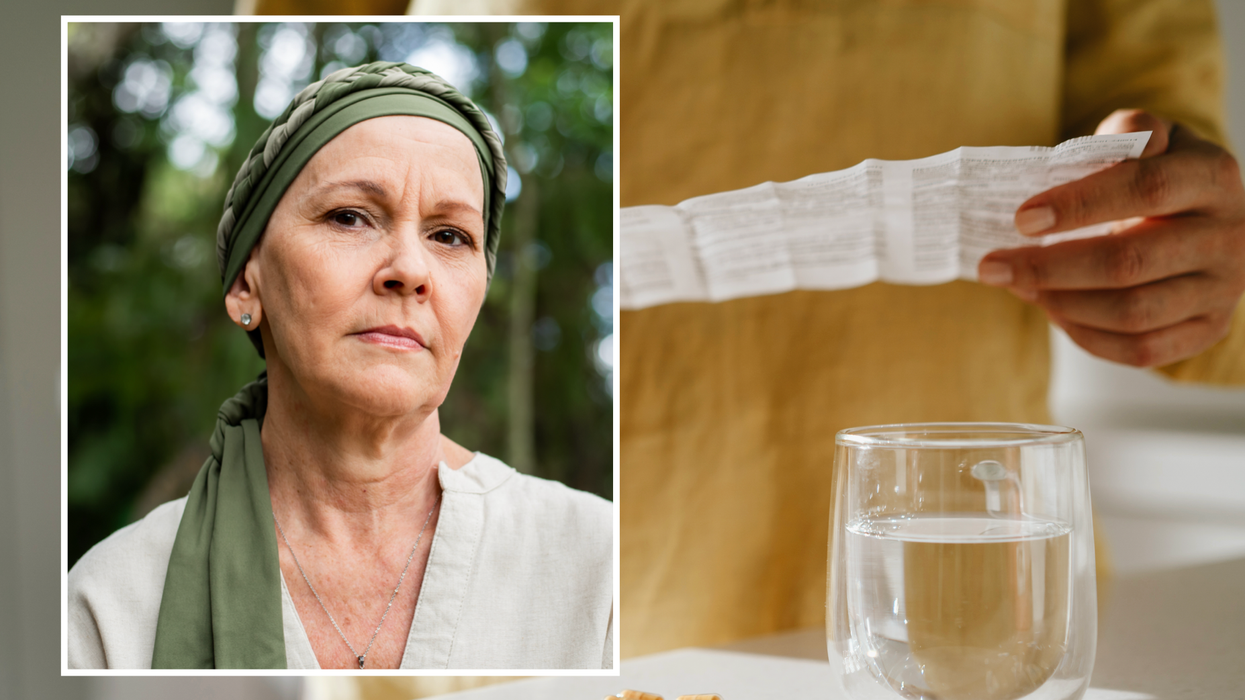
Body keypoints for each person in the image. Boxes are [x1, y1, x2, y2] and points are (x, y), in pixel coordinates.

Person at [66, 61, 614, 670]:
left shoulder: (603, 571)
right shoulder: (108, 610)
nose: (409, 268)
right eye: (350, 216)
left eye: (451, 236)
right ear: (248, 284)